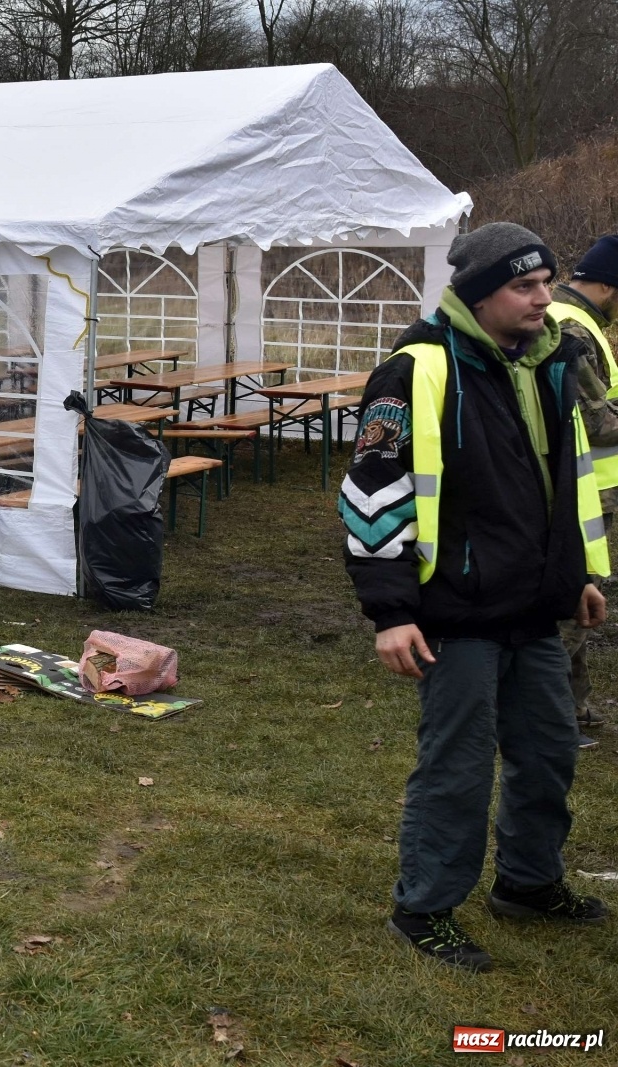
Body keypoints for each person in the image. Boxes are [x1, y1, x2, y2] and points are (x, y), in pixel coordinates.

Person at [339, 222, 610, 973]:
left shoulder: (550, 363)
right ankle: (423, 907)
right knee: (457, 767)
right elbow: (371, 497)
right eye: (524, 285)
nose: (543, 298)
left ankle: (527, 882)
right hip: (453, 615)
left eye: (547, 282)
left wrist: (582, 573)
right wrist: (391, 612)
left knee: (550, 752)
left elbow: (569, 481)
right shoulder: (414, 371)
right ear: (480, 292)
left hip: (534, 609)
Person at [549, 234, 618, 744]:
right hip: (580, 491)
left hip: (587, 488)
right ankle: (551, 717)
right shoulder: (573, 326)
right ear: (609, 288)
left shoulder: (566, 317)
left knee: (583, 597)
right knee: (574, 602)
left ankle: (575, 707)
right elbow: (597, 422)